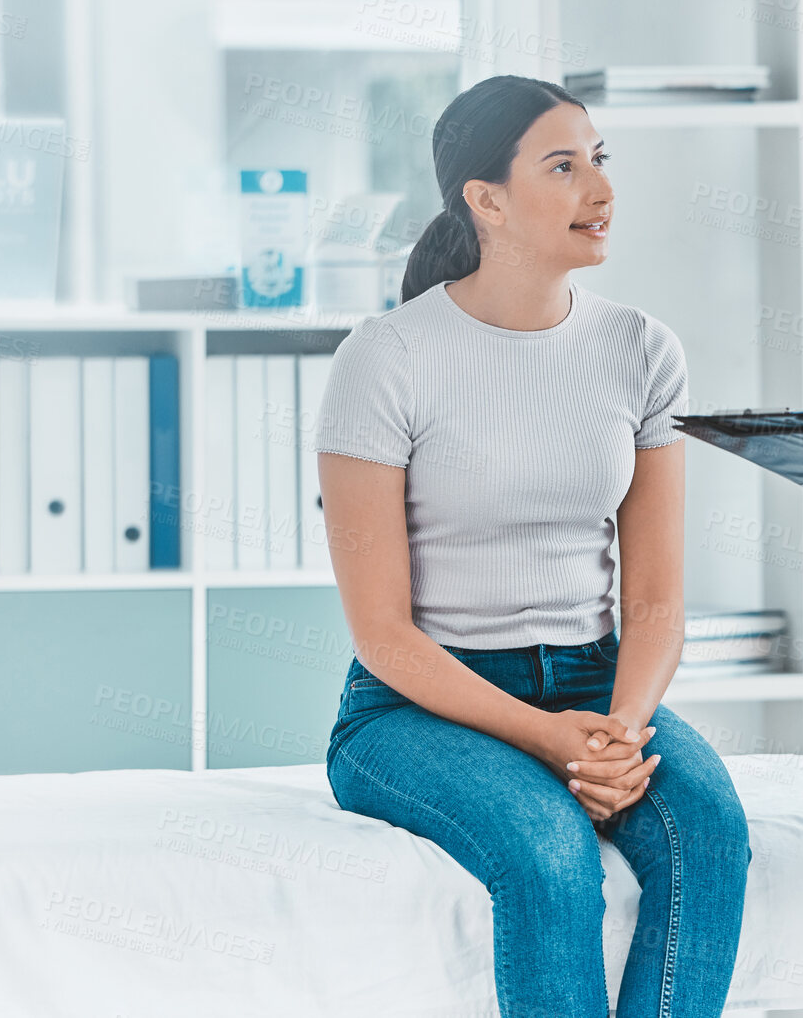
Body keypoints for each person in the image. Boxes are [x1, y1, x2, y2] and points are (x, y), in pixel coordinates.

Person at [315, 74, 750, 1018]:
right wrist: (551, 743)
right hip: (415, 707)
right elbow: (383, 634)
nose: (599, 187)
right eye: (563, 165)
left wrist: (620, 731)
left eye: (600, 159)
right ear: (487, 199)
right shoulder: (386, 358)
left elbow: (658, 603)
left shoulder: (641, 349)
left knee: (708, 833)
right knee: (549, 852)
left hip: (597, 688)